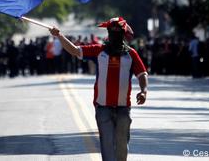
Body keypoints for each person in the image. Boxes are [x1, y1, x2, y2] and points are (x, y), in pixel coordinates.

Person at [49, 17, 148, 161]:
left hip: (123, 108)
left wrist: (144, 90)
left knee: (121, 144)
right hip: (103, 107)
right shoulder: (99, 50)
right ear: (108, 32)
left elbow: (142, 73)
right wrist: (59, 35)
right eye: (112, 31)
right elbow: (75, 51)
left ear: (123, 33)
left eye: (118, 31)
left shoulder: (131, 54)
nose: (115, 35)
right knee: (107, 144)